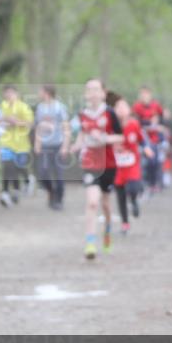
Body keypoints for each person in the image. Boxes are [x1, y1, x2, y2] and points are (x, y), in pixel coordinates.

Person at [71, 79, 123, 260]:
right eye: (89, 90)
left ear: (102, 93)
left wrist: (104, 138)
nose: (92, 93)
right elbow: (81, 136)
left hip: (108, 164)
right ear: (86, 94)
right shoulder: (82, 115)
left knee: (105, 205)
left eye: (96, 89)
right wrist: (73, 147)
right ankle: (90, 243)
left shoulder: (109, 113)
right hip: (90, 163)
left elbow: (121, 137)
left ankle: (107, 230)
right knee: (92, 202)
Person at [112, 96, 149, 235]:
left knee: (133, 188)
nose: (121, 109)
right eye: (118, 107)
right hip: (117, 166)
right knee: (120, 195)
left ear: (129, 110)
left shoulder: (134, 124)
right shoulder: (111, 126)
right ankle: (125, 223)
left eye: (124, 106)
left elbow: (142, 139)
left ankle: (133, 201)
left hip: (132, 164)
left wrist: (146, 148)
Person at [0, 84, 34, 208]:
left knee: (18, 167)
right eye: (6, 93)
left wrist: (16, 122)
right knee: (7, 166)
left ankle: (26, 181)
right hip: (6, 142)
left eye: (11, 92)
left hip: (21, 144)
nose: (8, 95)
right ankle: (5, 192)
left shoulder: (23, 107)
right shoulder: (2, 107)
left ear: (17, 94)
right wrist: (4, 119)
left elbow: (30, 123)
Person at [33, 84, 71, 210]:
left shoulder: (60, 107)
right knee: (43, 173)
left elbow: (66, 127)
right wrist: (37, 143)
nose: (38, 93)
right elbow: (38, 126)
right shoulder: (40, 108)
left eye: (40, 91)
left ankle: (59, 200)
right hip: (45, 146)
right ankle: (51, 192)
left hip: (58, 145)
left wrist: (65, 145)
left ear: (47, 93)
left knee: (59, 174)